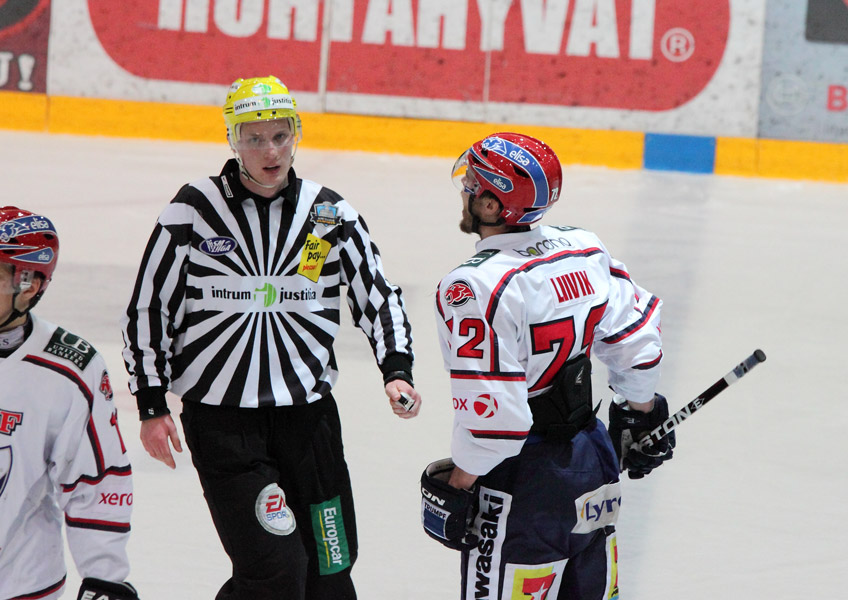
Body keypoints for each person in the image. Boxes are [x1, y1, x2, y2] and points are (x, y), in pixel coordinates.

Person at [120, 76, 420, 600]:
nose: (270, 150)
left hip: (309, 423)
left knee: (331, 572)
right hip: (223, 425)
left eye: (280, 135)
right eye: (254, 138)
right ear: (232, 141)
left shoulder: (328, 216)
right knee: (275, 571)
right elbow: (150, 306)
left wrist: (396, 369)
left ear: (296, 135)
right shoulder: (193, 210)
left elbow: (377, 292)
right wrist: (150, 402)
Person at [419, 133, 674, 599]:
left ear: (494, 207)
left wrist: (459, 485)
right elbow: (637, 342)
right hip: (592, 460)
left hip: (524, 480)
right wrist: (642, 413)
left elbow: (496, 419)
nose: (465, 190)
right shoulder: (582, 247)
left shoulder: (473, 285)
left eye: (473, 183)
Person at [0, 207, 138, 600]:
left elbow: (96, 479)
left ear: (27, 285)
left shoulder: (69, 368)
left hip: (20, 586)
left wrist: (104, 577)